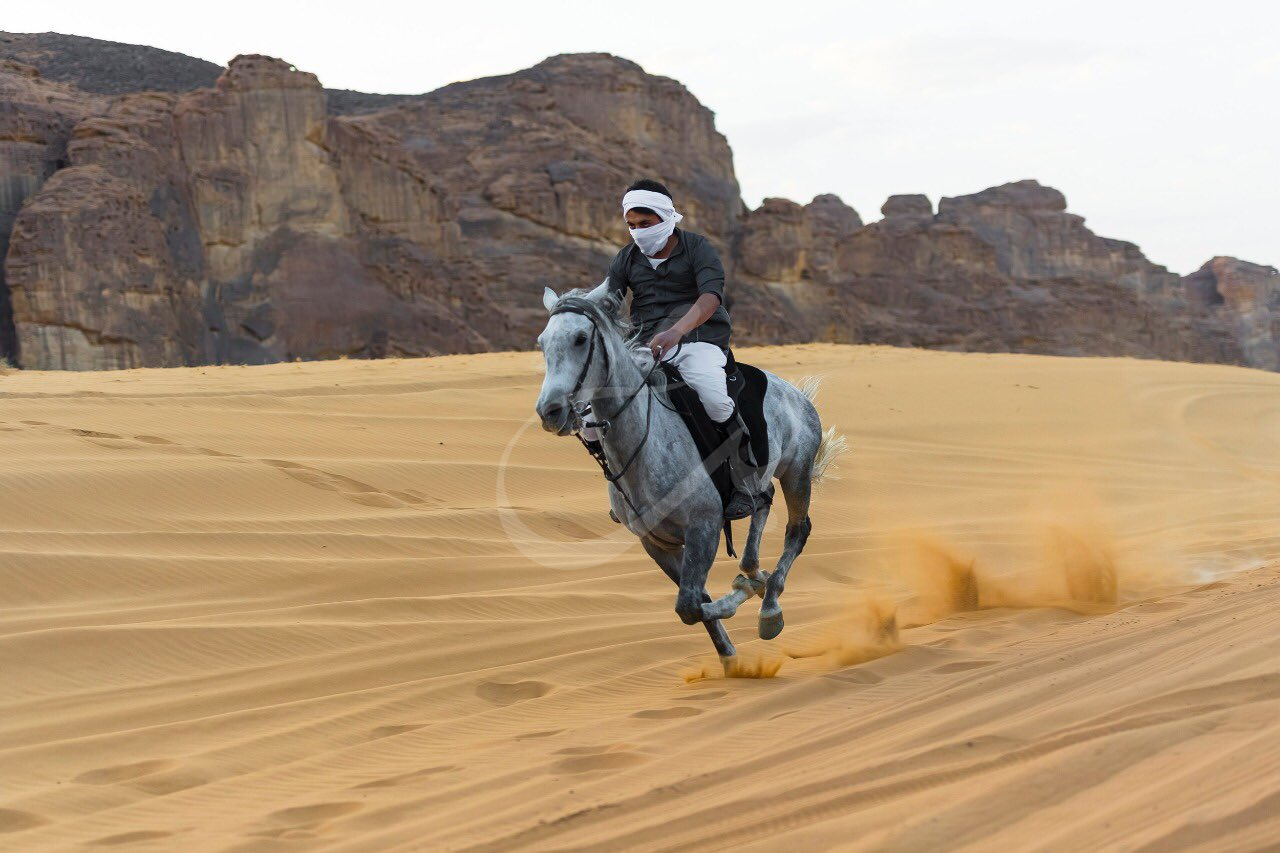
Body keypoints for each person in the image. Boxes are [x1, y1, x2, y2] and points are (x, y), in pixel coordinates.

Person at [603, 179, 768, 521]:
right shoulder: (626, 259)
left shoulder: (697, 248)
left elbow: (710, 297)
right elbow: (608, 300)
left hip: (699, 338)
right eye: (631, 225)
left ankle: (747, 481)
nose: (637, 232)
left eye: (645, 224)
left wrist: (677, 331)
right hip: (645, 343)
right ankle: (626, 489)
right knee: (602, 405)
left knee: (713, 396)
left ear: (665, 218)